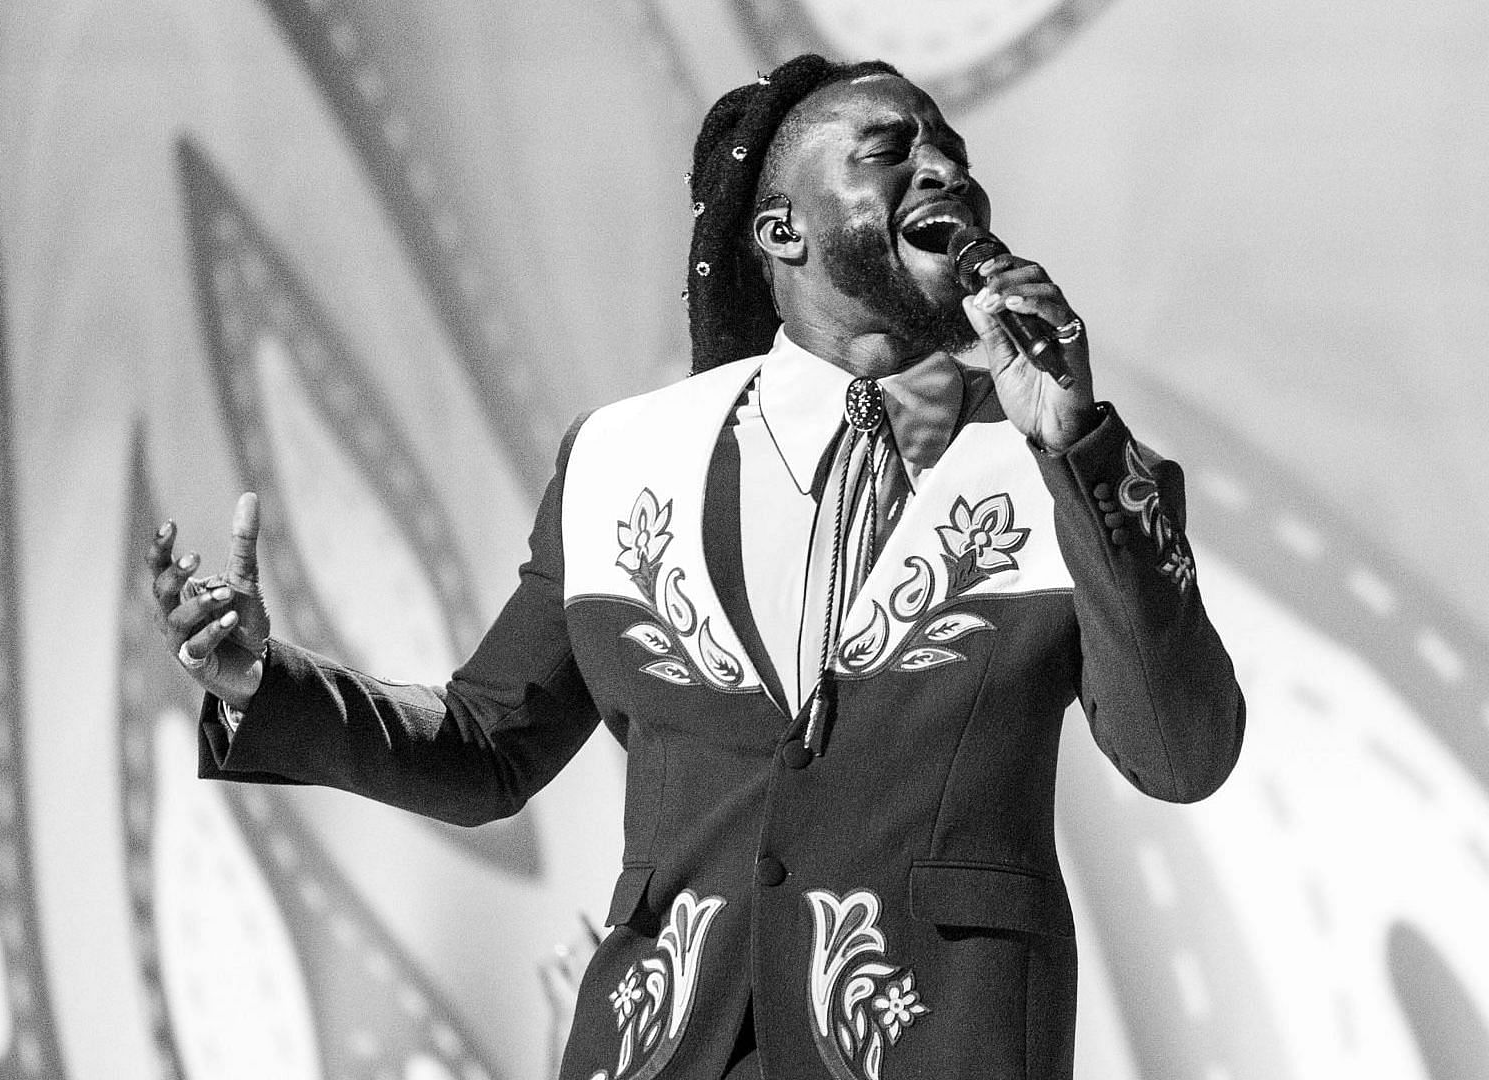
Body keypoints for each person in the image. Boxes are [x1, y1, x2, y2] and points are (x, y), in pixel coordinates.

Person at [148, 54, 1243, 1080]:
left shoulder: (1067, 469)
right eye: (889, 148)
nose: (944, 166)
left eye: (951, 147)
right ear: (782, 230)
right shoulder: (626, 458)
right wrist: (267, 684)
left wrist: (1078, 446)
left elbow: (1180, 755)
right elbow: (488, 747)